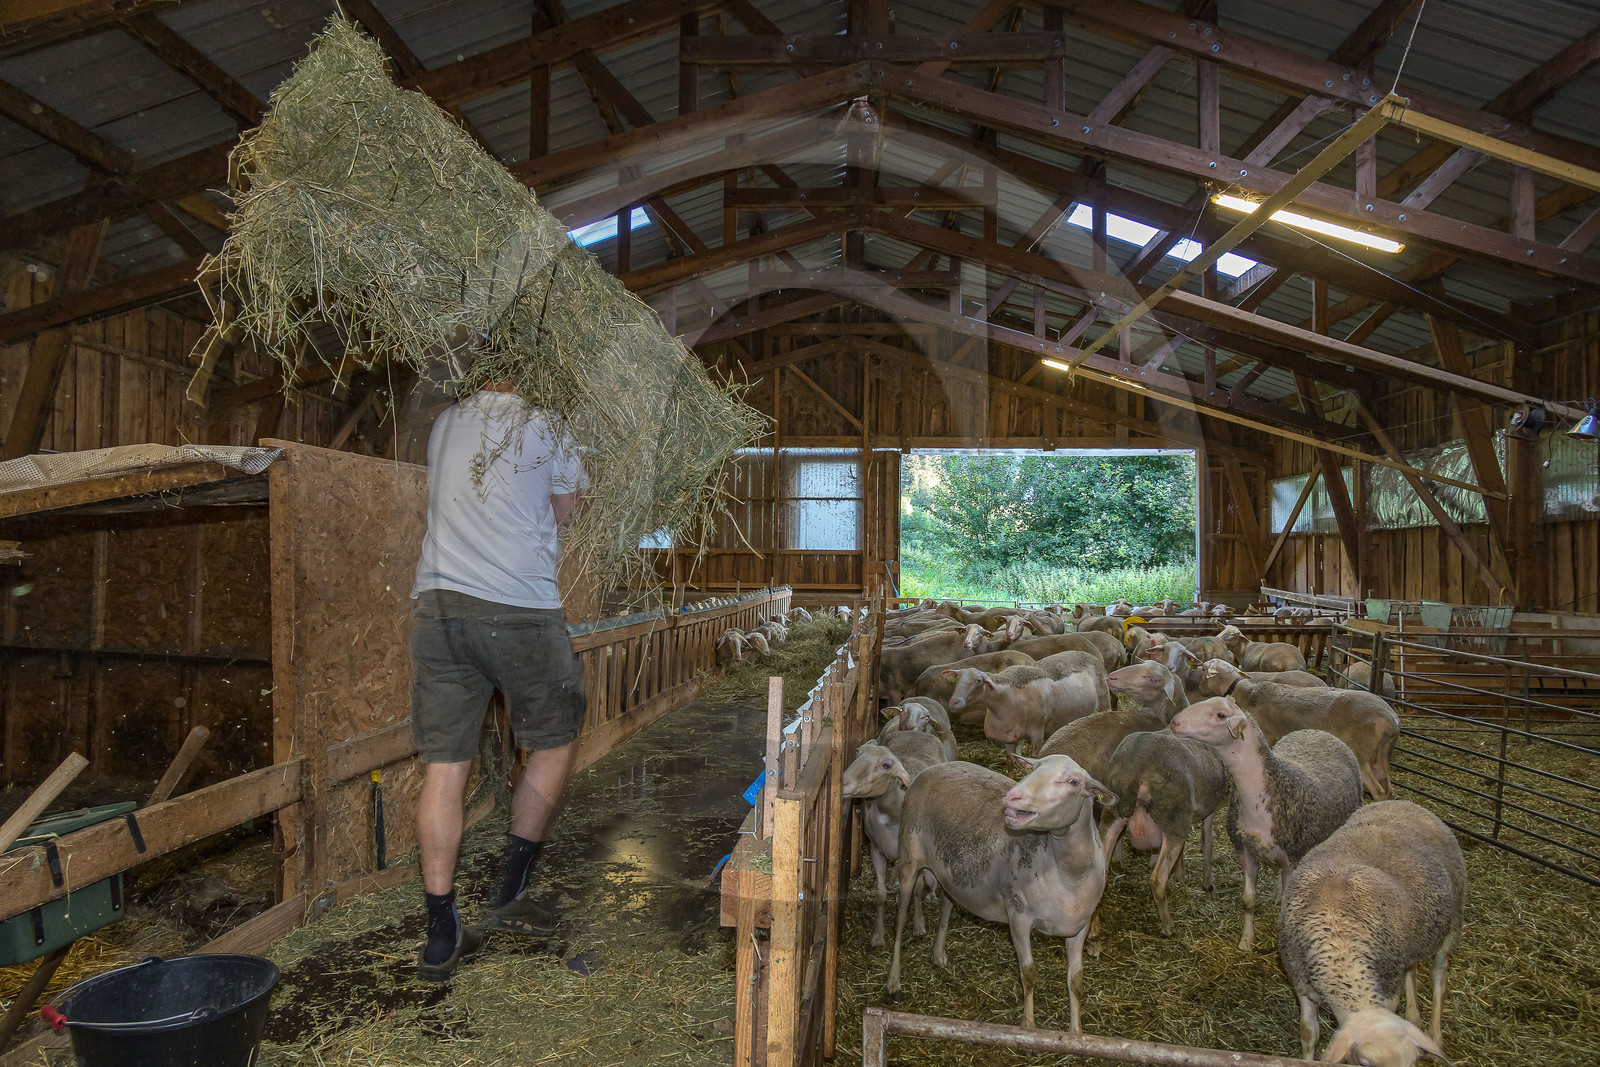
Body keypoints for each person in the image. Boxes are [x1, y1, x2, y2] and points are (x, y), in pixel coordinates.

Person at [407, 381, 588, 981]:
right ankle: (507, 890)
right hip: (518, 606)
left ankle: (440, 932)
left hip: (438, 607)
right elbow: (566, 509)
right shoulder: (549, 424)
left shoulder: (443, 425)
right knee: (555, 737)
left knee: (445, 765)